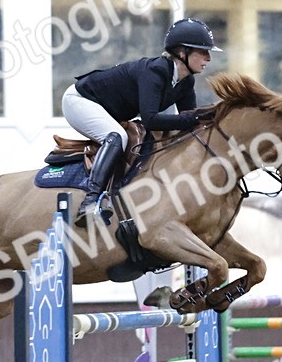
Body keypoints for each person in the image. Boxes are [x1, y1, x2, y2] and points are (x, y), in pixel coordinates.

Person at [61, 18, 221, 227]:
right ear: (182, 52)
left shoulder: (185, 81)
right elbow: (151, 120)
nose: (208, 58)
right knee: (118, 137)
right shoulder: (155, 71)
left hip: (108, 109)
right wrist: (198, 117)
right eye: (202, 51)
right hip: (80, 101)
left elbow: (188, 122)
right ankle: (91, 200)